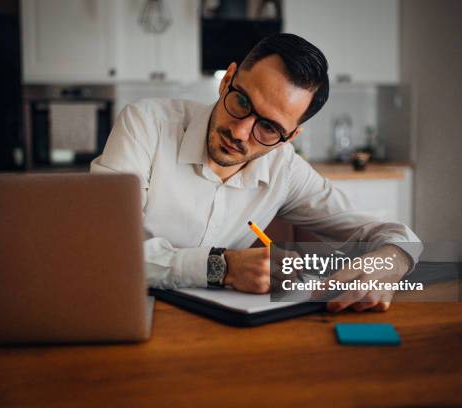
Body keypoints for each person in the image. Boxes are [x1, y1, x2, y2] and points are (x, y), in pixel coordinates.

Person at [91, 33, 421, 312]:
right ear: (227, 80)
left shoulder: (285, 169)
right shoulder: (146, 124)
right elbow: (104, 250)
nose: (240, 131)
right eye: (242, 103)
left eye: (268, 127)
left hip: (220, 330)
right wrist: (224, 267)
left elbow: (397, 235)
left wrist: (389, 264)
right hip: (122, 309)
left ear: (289, 137)